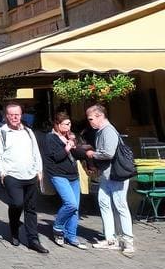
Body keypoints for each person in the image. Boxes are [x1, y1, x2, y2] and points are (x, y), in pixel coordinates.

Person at [0, 102, 48, 253]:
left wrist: (39, 170)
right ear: (6, 116)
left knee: (31, 208)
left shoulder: (28, 132)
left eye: (17, 114)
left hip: (30, 174)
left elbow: (36, 153)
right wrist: (3, 173)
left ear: (21, 115)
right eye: (11, 115)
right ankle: (14, 227)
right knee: (17, 203)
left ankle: (33, 240)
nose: (15, 117)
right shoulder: (1, 132)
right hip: (12, 175)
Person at [85, 103, 135, 255]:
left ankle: (128, 241)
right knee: (104, 203)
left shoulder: (108, 131)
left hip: (116, 175)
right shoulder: (101, 131)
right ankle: (110, 238)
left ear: (100, 116)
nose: (90, 121)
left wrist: (92, 154)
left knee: (120, 206)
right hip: (106, 175)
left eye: (91, 118)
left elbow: (108, 153)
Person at [43, 112, 89, 249]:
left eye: (70, 124)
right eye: (66, 124)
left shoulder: (69, 136)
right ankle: (58, 227)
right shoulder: (50, 138)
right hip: (58, 175)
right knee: (71, 204)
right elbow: (56, 157)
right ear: (57, 125)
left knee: (75, 209)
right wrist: (67, 147)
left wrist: (74, 145)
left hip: (73, 175)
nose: (69, 127)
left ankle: (71, 235)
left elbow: (79, 155)